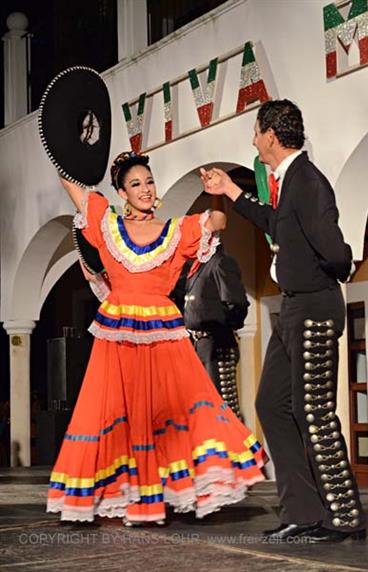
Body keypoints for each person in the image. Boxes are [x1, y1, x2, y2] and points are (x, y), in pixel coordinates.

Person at [47, 151, 266, 525]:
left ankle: (161, 492)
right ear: (121, 192)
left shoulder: (177, 230)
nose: (145, 190)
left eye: (149, 182)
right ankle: (131, 495)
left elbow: (219, 220)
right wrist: (75, 138)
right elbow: (71, 181)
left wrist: (213, 211)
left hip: (163, 335)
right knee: (116, 411)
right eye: (135, 184)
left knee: (176, 407)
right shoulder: (106, 224)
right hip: (118, 336)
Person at [200, 99, 366, 543]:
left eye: (256, 132)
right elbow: (274, 221)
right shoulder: (287, 182)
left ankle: (343, 516)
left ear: (272, 135)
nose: (253, 141)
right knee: (272, 404)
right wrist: (232, 192)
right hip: (292, 308)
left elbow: (333, 250)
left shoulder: (308, 182)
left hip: (314, 307)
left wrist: (340, 265)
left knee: (314, 412)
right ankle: (303, 511)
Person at [171, 244, 249, 418]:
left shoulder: (220, 262)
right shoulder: (197, 266)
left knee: (222, 406)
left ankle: (231, 445)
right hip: (198, 344)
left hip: (216, 343)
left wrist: (223, 327)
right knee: (202, 406)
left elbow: (236, 303)